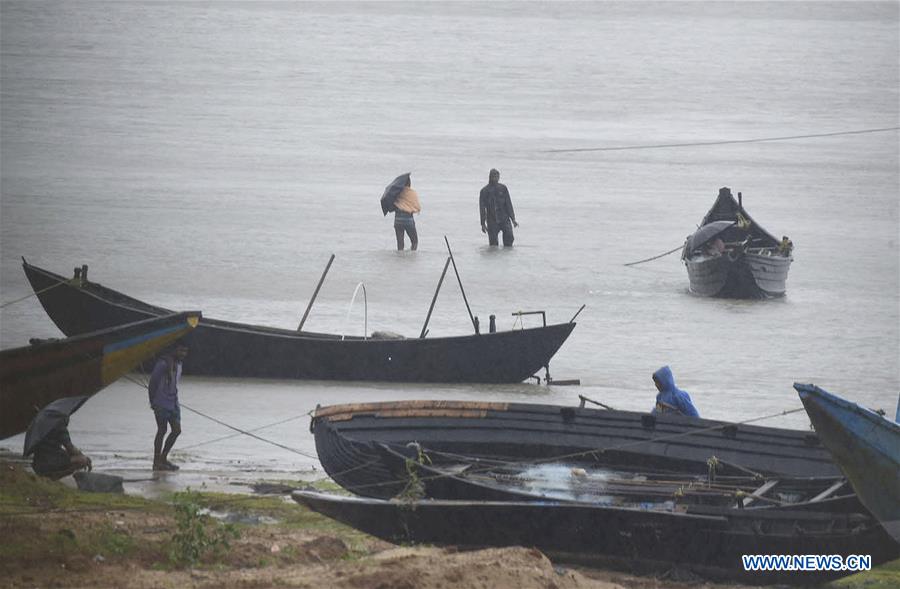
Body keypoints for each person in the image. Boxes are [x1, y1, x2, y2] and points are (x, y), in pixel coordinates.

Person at [148, 344, 188, 471]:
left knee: (177, 430)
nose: (183, 354)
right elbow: (153, 382)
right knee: (162, 430)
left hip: (173, 402)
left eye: (185, 351)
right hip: (161, 402)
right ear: (174, 350)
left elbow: (174, 383)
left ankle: (163, 458)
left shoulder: (179, 365)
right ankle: (156, 462)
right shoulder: (163, 364)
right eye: (181, 350)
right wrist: (152, 401)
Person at [479, 168, 518, 247]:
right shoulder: (484, 191)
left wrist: (513, 219)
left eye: (497, 177)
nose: (496, 179)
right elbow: (482, 209)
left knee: (509, 239)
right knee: (493, 246)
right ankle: (495, 258)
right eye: (494, 177)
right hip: (492, 221)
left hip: (505, 219)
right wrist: (483, 223)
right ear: (490, 177)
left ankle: (506, 258)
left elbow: (508, 204)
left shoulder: (503, 188)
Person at [393, 176, 420, 251]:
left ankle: (400, 259)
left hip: (397, 221)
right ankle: (412, 257)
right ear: (409, 183)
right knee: (414, 242)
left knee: (400, 244)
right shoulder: (412, 193)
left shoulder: (396, 192)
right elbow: (416, 206)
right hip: (408, 221)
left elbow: (393, 206)